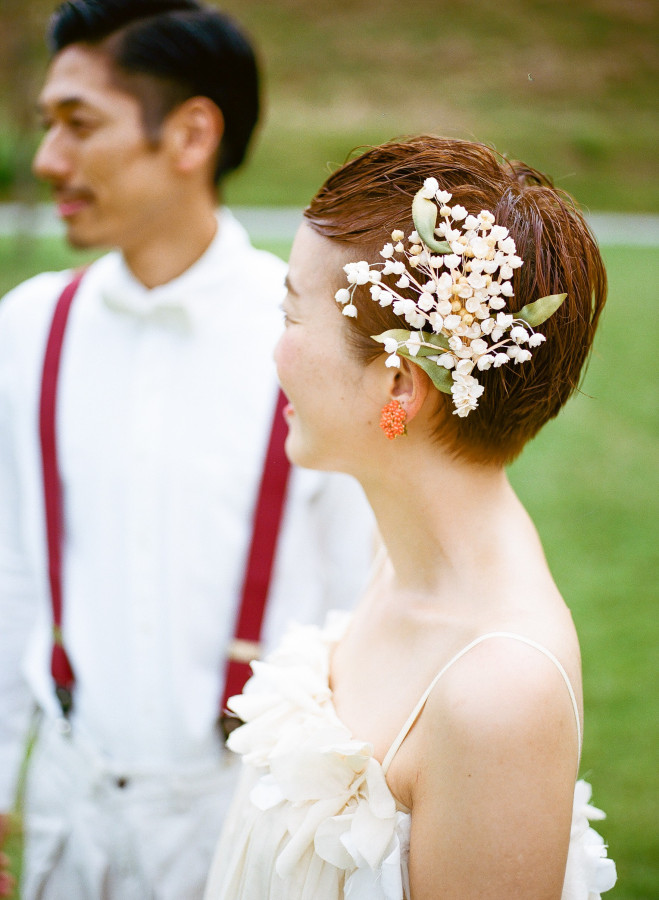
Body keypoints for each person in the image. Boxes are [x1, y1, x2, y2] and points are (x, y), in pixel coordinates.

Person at [0, 1, 373, 898]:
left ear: (191, 134)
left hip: (250, 821)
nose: (50, 159)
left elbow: (362, 602)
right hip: (67, 809)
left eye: (79, 124)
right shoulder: (28, 329)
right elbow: (8, 574)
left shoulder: (311, 342)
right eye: (48, 125)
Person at [204, 135, 618, 899]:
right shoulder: (396, 549)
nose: (275, 352)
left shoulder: (499, 692)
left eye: (292, 314)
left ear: (396, 382)